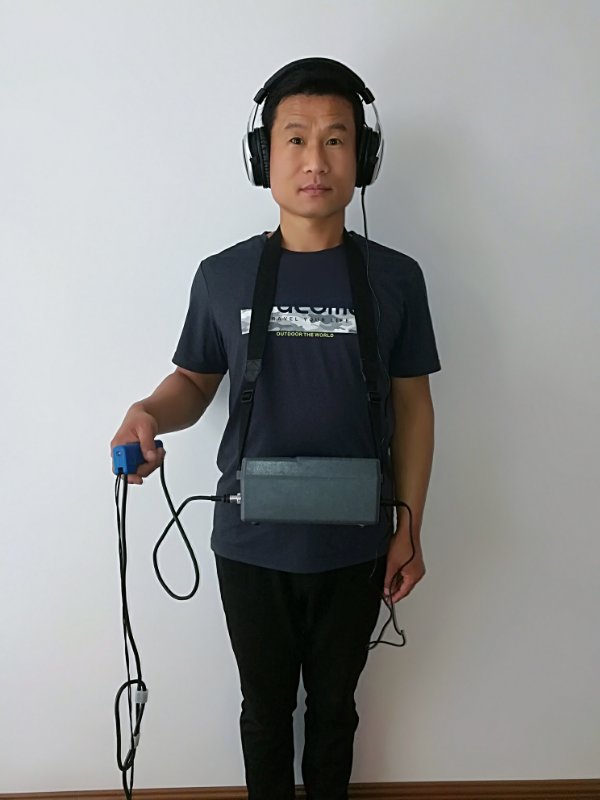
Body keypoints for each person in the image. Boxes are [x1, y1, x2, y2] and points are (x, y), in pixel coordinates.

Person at [111, 57, 441, 800]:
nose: (315, 160)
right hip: (250, 542)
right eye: (295, 139)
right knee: (264, 713)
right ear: (263, 155)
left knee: (334, 711)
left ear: (364, 157)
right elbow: (194, 382)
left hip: (357, 541)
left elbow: (413, 405)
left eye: (336, 139)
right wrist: (148, 412)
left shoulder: (397, 279)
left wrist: (411, 525)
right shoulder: (222, 276)